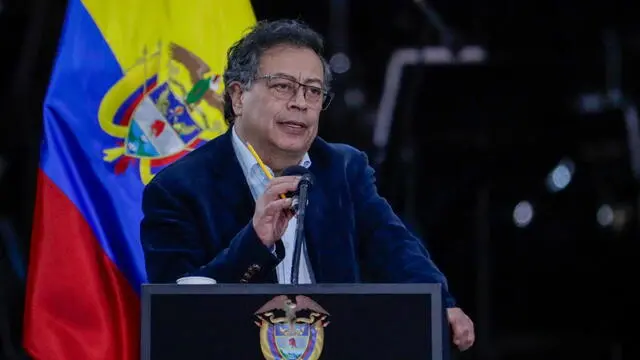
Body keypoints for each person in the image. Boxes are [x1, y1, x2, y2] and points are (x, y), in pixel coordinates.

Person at [140, 19, 475, 351]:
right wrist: (254, 244)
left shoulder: (343, 168)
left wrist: (440, 302)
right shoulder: (175, 190)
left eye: (313, 91)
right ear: (238, 97)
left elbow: (394, 246)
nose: (301, 102)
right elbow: (177, 318)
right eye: (283, 86)